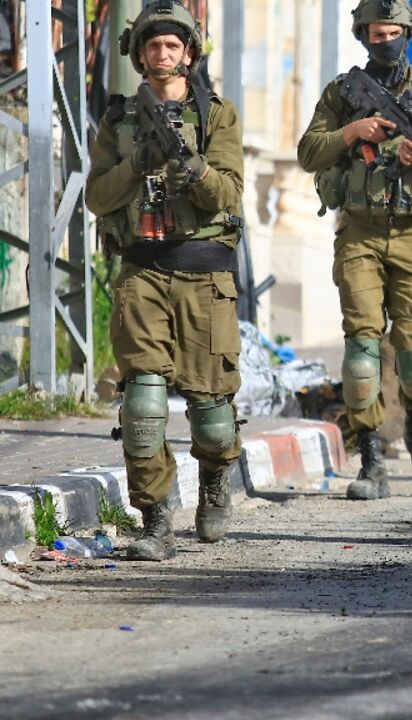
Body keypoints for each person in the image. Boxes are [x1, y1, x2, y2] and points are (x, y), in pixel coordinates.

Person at [298, 0, 412, 499]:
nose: (385, 42)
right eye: (375, 34)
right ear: (362, 35)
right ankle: (371, 459)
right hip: (359, 231)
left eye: (393, 32)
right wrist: (352, 131)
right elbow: (308, 151)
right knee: (361, 354)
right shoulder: (343, 93)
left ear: (408, 33)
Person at [86, 0, 245, 560]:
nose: (162, 53)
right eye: (153, 45)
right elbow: (96, 197)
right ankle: (155, 522)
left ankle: (215, 482)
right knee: (145, 404)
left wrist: (191, 168)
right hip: (143, 270)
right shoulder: (119, 120)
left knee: (213, 413)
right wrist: (136, 165)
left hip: (204, 273)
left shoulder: (217, 115)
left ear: (189, 53)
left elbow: (228, 193)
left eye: (172, 45)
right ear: (140, 55)